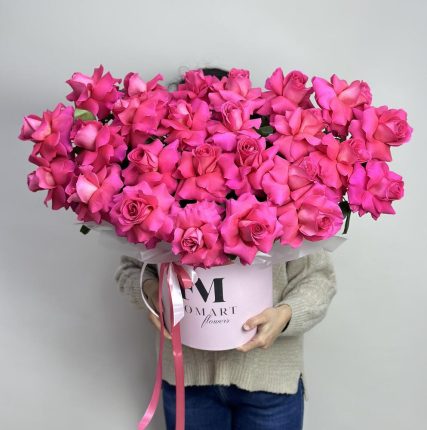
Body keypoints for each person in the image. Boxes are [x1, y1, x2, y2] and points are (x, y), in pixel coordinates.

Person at [113, 68, 338, 430]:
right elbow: (129, 271)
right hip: (187, 383)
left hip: (270, 383)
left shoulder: (288, 200)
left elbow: (319, 280)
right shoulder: (159, 204)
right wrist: (153, 293)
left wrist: (285, 315)